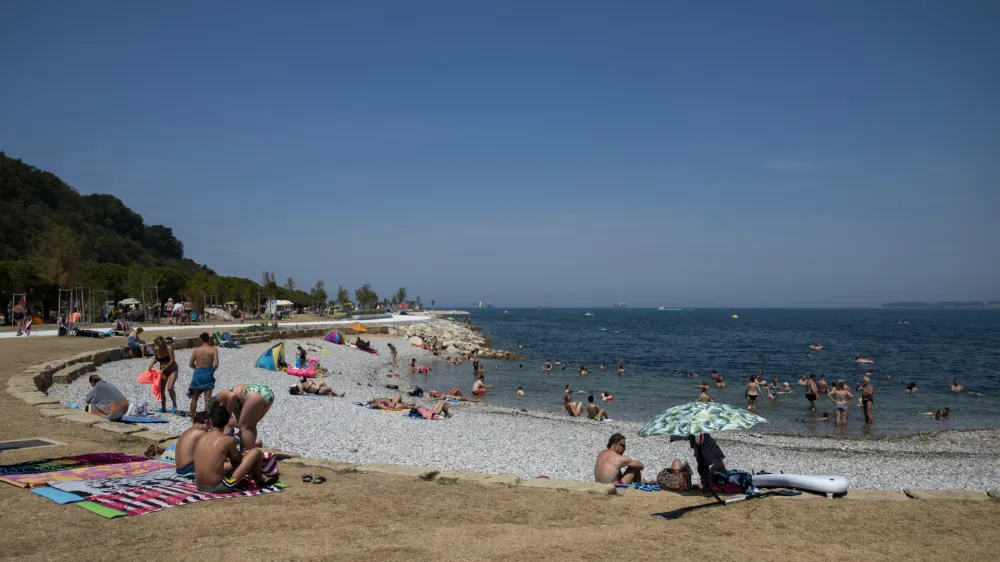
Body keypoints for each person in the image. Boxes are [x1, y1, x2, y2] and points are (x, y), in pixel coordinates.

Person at [193, 405, 266, 493]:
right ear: (227, 421)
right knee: (256, 452)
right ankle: (258, 480)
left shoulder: (201, 437)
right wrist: (245, 457)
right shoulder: (228, 440)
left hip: (199, 485)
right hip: (216, 487)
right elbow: (236, 462)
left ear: (210, 421)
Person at [215, 383, 274, 451]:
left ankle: (249, 453)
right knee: (249, 426)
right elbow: (240, 422)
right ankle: (244, 451)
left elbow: (232, 395)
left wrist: (228, 413)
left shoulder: (219, 398)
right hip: (267, 393)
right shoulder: (232, 403)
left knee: (246, 427)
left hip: (254, 392)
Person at [188, 333, 218, 421]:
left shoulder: (196, 350)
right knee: (207, 400)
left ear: (201, 340)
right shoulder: (213, 349)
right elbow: (216, 364)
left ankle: (193, 418)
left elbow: (190, 364)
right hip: (208, 373)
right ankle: (206, 418)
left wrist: (197, 369)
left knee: (194, 398)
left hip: (198, 373)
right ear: (208, 339)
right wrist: (211, 371)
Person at [174, 411, 211, 477]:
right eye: (210, 424)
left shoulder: (187, 431)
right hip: (189, 469)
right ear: (206, 421)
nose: (210, 427)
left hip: (179, 469)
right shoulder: (201, 433)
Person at [148, 336, 179, 413]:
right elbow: (156, 358)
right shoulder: (156, 349)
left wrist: (163, 369)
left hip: (172, 370)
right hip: (163, 371)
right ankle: (163, 408)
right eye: (156, 344)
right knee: (161, 390)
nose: (157, 345)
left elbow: (172, 360)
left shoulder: (169, 348)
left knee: (170, 388)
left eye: (158, 344)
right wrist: (151, 364)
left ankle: (174, 405)